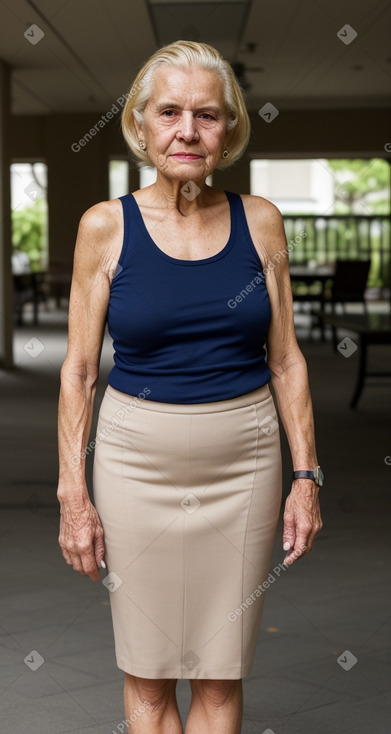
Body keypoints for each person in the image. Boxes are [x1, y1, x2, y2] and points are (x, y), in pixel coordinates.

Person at [57, 40, 323, 734]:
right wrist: (72, 492)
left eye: (207, 115)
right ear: (140, 124)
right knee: (146, 671)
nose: (187, 130)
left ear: (228, 130)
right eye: (169, 112)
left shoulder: (259, 220)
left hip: (244, 462)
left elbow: (287, 360)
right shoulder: (104, 226)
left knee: (218, 668)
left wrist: (305, 476)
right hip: (132, 462)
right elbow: (80, 371)